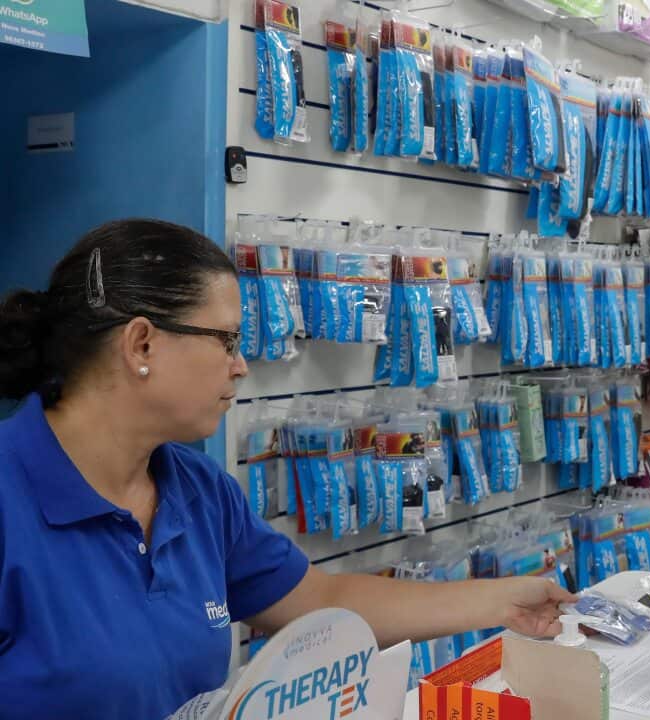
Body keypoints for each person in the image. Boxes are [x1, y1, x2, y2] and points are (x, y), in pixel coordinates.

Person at [0, 219, 575, 719]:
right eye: (225, 340)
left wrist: (502, 601)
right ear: (142, 344)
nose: (241, 366)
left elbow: (321, 601)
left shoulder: (197, 491)